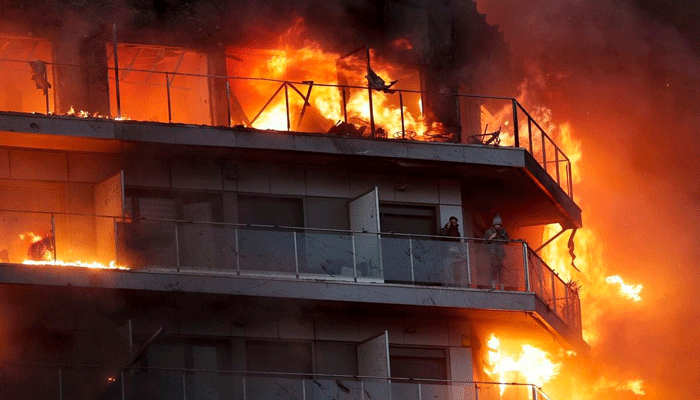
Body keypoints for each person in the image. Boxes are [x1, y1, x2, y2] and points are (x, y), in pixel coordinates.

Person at [484, 214, 509, 289]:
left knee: (501, 269)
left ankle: (501, 285)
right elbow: (484, 242)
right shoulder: (489, 232)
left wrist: (503, 234)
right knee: (494, 268)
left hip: (500, 253)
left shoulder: (502, 232)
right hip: (492, 252)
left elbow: (507, 241)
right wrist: (491, 238)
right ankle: (493, 285)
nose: (498, 226)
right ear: (494, 225)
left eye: (499, 225)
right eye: (496, 225)